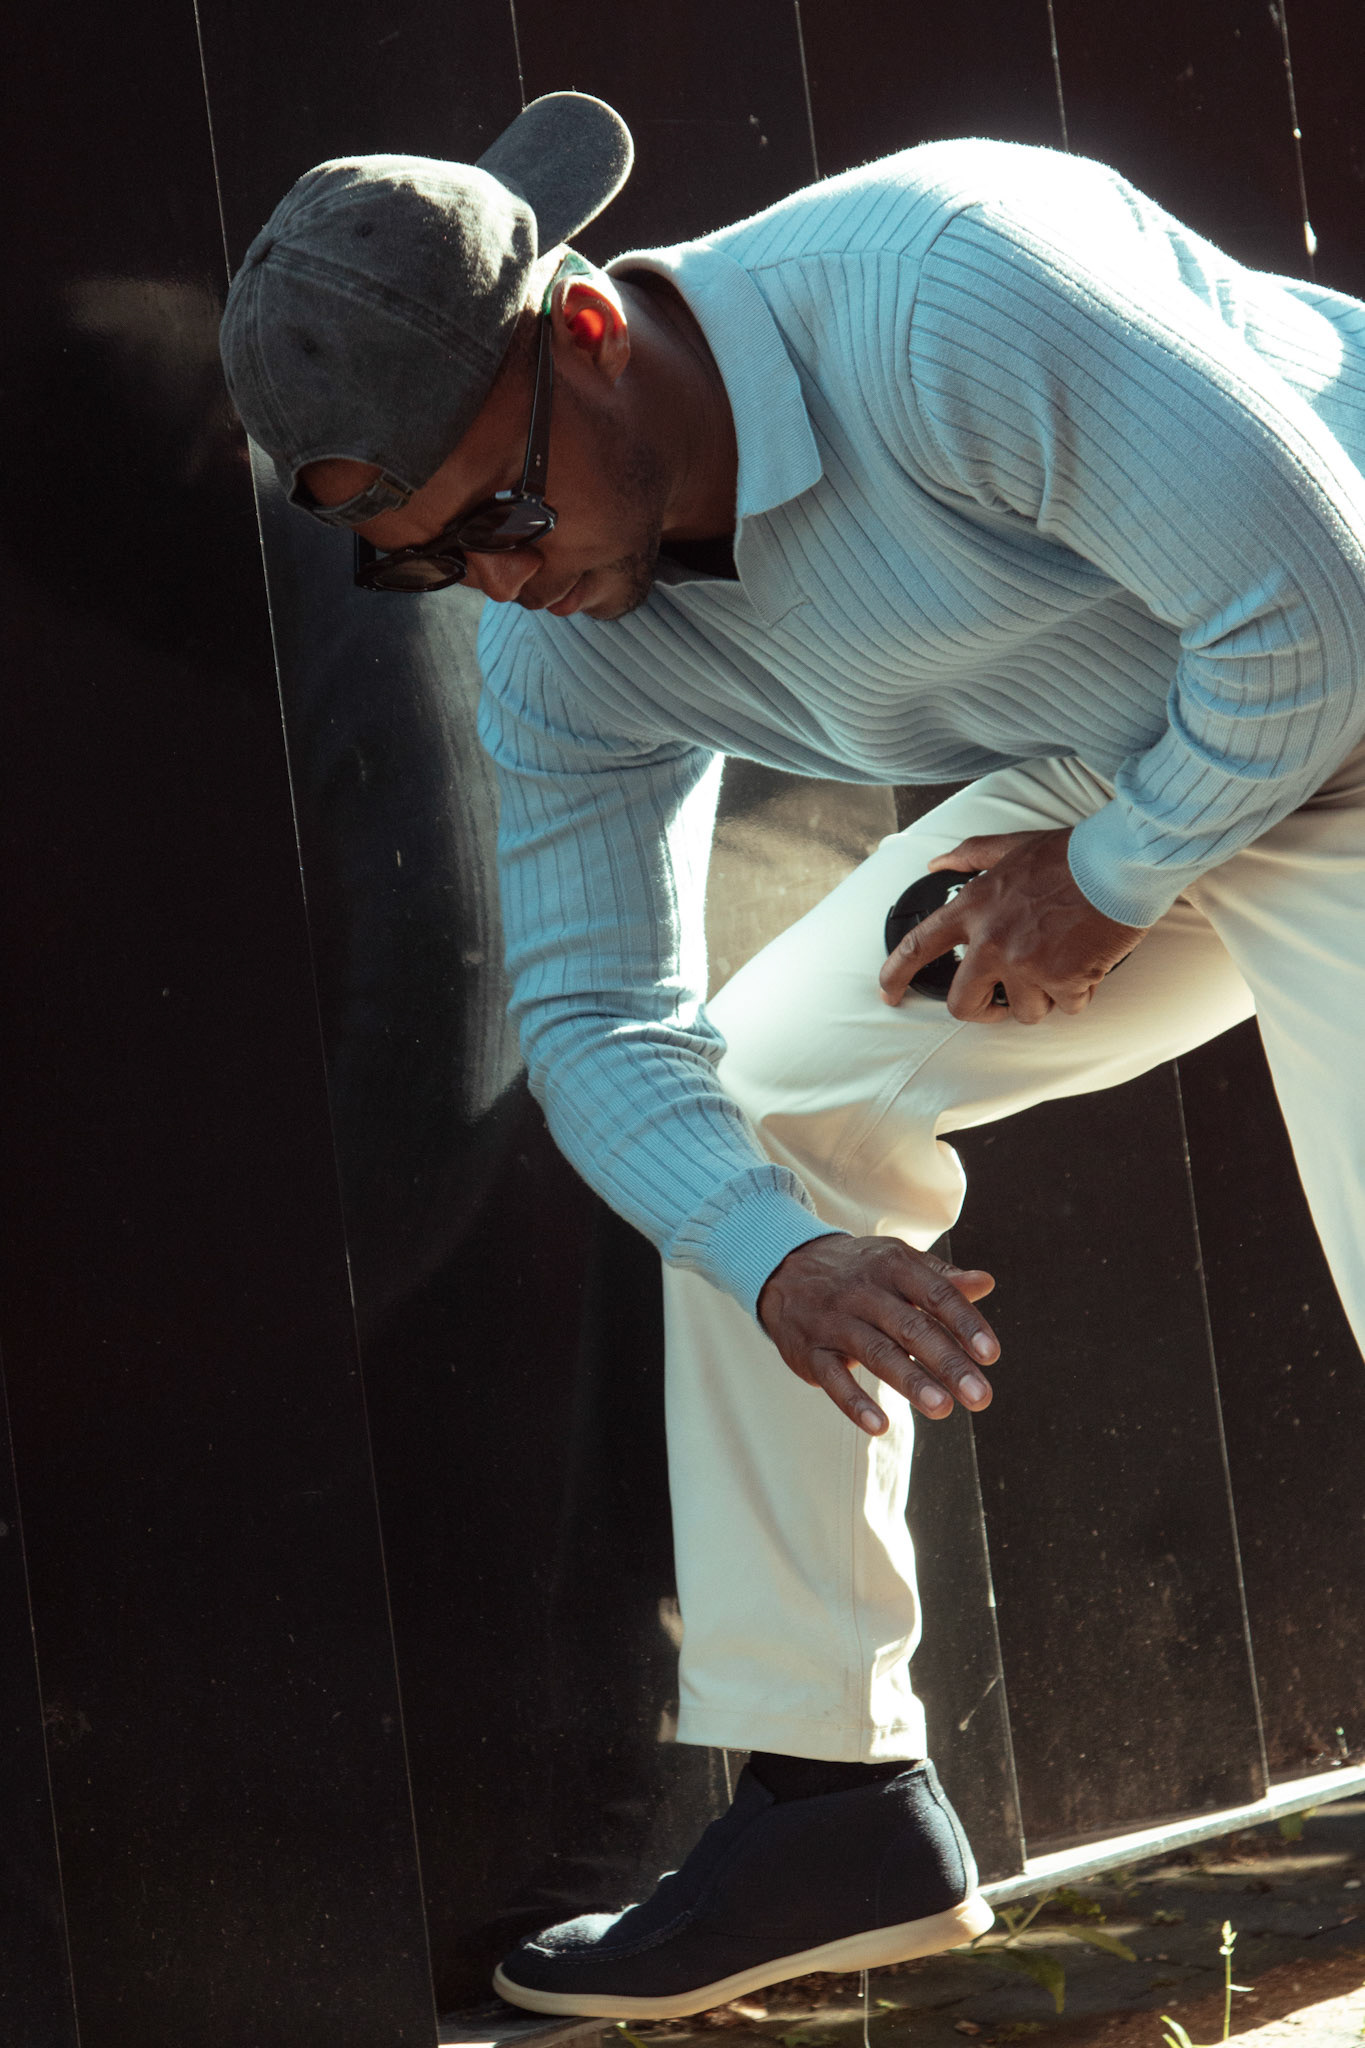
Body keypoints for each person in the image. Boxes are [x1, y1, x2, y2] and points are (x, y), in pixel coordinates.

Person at [219, 91, 1365, 2019]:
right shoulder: (565, 645)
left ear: (588, 331)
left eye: (501, 515)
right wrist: (773, 1255)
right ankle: (837, 1799)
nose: (497, 583)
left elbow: (1317, 600)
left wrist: (1104, 877)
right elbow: (594, 1015)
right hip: (1155, 767)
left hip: (1330, 668)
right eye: (426, 566)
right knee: (755, 1118)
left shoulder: (942, 291)